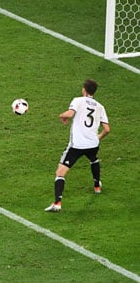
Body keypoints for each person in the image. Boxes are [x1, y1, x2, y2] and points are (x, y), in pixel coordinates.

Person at [45, 79, 110, 212]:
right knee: (93, 159)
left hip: (77, 145)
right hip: (93, 143)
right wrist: (99, 137)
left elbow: (70, 114)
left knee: (60, 173)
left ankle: (57, 203)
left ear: (84, 89)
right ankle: (97, 186)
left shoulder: (78, 100)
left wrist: (62, 115)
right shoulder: (100, 106)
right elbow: (107, 129)